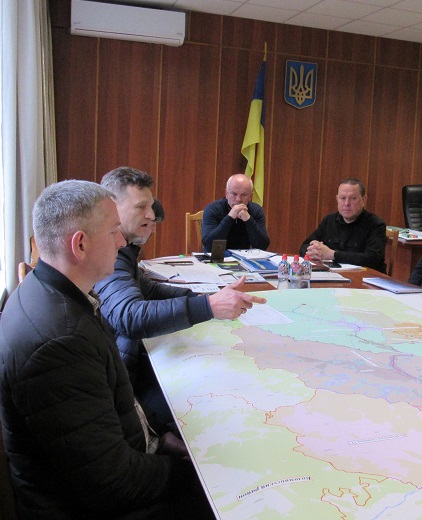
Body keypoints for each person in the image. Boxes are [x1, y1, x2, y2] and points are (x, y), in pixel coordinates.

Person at [0, 180, 215, 519]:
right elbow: (112, 483)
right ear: (80, 244)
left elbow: (114, 407)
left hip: (114, 469)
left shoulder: (59, 293)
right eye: (114, 231)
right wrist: (196, 476)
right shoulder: (61, 342)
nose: (122, 241)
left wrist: (160, 439)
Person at [95, 167, 266, 430]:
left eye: (150, 207)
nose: (151, 215)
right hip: (125, 381)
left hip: (127, 362)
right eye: (141, 207)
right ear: (112, 208)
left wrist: (208, 297)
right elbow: (129, 316)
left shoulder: (124, 251)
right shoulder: (111, 254)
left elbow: (149, 290)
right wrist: (209, 306)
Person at [300, 178, 387, 272]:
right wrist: (314, 251)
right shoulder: (329, 220)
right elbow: (304, 247)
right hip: (332, 275)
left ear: (363, 200)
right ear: (337, 199)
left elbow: (372, 259)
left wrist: (332, 255)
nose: (347, 203)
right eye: (343, 198)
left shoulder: (376, 225)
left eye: (353, 198)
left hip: (364, 276)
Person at [202, 173, 270, 252]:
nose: (238, 199)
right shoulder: (212, 209)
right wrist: (230, 217)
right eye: (234, 194)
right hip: (217, 256)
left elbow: (262, 246)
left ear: (250, 197)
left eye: (244, 195)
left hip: (244, 257)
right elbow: (209, 246)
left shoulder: (256, 211)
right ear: (226, 194)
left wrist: (248, 220)